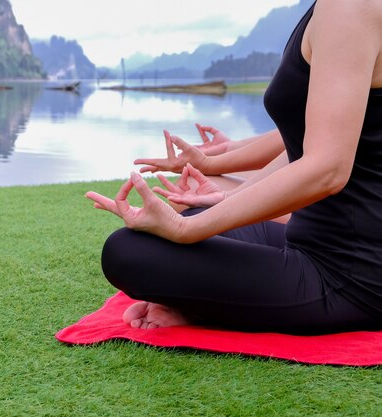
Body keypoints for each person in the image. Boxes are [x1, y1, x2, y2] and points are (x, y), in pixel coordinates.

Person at [85, 0, 382, 334]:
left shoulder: (351, 7)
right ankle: (205, 299)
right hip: (307, 240)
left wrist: (186, 232)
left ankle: (202, 309)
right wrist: (226, 199)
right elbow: (300, 149)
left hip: (352, 275)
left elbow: (326, 170)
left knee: (127, 252)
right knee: (194, 219)